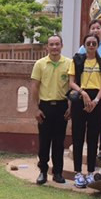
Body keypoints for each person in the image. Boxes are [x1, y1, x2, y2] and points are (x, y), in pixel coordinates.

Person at [68, 32, 101, 188]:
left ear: (98, 45)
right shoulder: (77, 60)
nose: (91, 46)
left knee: (93, 137)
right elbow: (71, 82)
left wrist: (96, 100)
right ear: (84, 45)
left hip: (96, 100)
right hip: (80, 98)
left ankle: (91, 172)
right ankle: (78, 172)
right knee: (78, 136)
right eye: (88, 43)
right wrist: (83, 93)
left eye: (94, 43)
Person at [29, 34, 70, 184]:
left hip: (62, 106)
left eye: (57, 44)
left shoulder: (68, 63)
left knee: (59, 142)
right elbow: (34, 86)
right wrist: (35, 108)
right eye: (51, 44)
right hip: (45, 107)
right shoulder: (40, 64)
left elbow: (72, 87)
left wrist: (70, 107)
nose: (54, 47)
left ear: (61, 46)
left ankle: (58, 172)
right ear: (47, 47)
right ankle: (43, 171)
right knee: (44, 141)